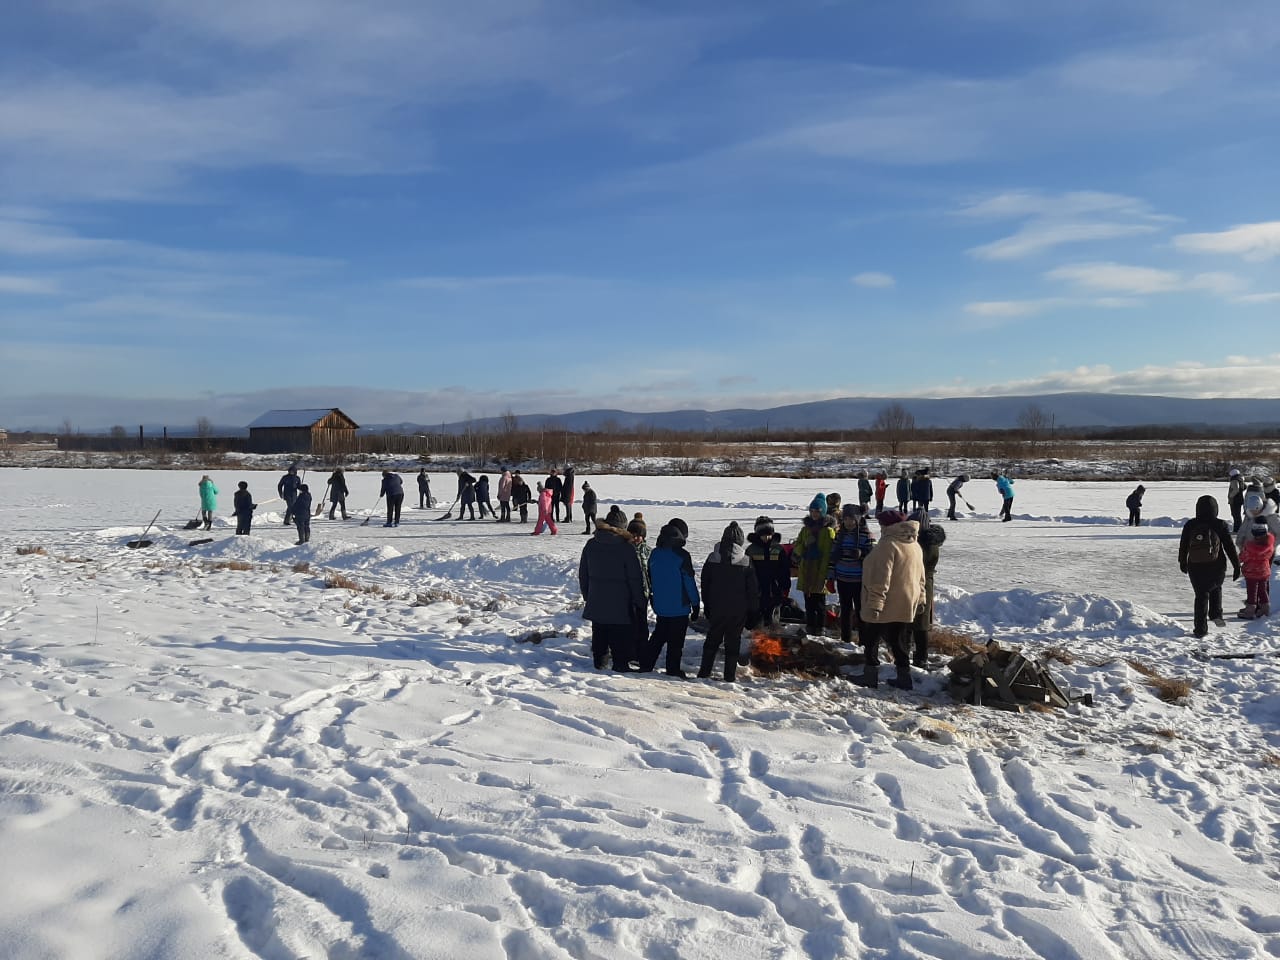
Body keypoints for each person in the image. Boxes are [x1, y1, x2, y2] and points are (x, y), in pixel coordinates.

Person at [855, 510, 926, 690]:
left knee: (871, 639)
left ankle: (870, 675)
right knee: (898, 640)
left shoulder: (888, 545)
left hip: (885, 602)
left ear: (887, 525)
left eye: (881, 524)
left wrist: (875, 603)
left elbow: (881, 578)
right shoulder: (914, 544)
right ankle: (904, 677)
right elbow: (921, 577)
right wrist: (921, 598)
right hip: (906, 602)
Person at [579, 508, 646, 672]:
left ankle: (599, 663)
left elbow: (583, 574)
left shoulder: (591, 544)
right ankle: (620, 664)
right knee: (620, 634)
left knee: (599, 631)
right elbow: (635, 578)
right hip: (621, 602)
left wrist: (588, 595)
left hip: (597, 599)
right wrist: (640, 601)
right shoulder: (626, 549)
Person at [698, 522, 759, 682]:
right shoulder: (746, 561)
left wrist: (707, 605)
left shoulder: (712, 558)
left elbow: (705, 584)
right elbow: (752, 591)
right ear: (740, 541)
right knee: (733, 642)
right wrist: (753, 612)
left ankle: (704, 673)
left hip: (717, 607)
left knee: (712, 639)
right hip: (738, 610)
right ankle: (729, 676)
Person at [1178, 494, 1241, 639]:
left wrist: (1182, 561)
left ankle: (1200, 629)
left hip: (1195, 565)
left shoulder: (1190, 524)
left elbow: (1184, 545)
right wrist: (1236, 566)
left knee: (1201, 595)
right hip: (1217, 565)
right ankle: (1216, 613)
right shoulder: (1220, 524)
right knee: (1215, 587)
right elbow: (1229, 546)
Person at [643, 521, 701, 677]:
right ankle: (672, 669)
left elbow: (650, 577)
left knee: (659, 636)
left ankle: (646, 664)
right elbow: (689, 582)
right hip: (679, 607)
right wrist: (695, 604)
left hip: (661, 605)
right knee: (676, 642)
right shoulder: (682, 556)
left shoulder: (654, 553)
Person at [830, 504, 876, 644]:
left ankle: (864, 640)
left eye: (851, 519)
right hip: (843, 578)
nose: (848, 522)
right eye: (846, 519)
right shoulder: (839, 534)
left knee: (861, 611)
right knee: (845, 610)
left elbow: (874, 556)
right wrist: (831, 575)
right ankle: (846, 639)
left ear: (857, 519)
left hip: (859, 579)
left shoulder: (866, 534)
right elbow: (832, 556)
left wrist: (862, 554)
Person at [792, 493, 836, 636]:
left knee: (820, 603)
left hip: (820, 570)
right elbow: (797, 547)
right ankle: (810, 625)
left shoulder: (828, 531)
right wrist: (804, 545)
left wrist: (826, 572)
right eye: (812, 511)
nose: (814, 514)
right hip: (806, 570)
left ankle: (820, 626)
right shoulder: (805, 529)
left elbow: (830, 552)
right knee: (809, 601)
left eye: (817, 511)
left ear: (823, 512)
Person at [911, 513, 946, 668]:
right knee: (921, 621)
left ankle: (920, 658)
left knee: (919, 621)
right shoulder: (931, 541)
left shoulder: (925, 543)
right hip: (925, 582)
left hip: (921, 582)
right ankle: (920, 656)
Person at [746, 516, 791, 629]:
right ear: (757, 534)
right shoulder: (751, 550)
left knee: (774, 612)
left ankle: (773, 633)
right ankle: (758, 633)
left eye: (769, 534)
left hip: (774, 587)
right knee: (758, 612)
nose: (766, 537)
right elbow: (747, 570)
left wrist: (785, 584)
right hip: (758, 588)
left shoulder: (778, 549)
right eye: (763, 535)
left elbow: (784, 568)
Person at [1238, 519, 1275, 619]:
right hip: (1264, 571)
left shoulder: (1250, 547)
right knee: (1263, 591)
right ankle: (1264, 609)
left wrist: (1238, 560)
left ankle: (1250, 612)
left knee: (1252, 592)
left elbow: (1243, 557)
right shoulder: (1269, 545)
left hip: (1251, 572)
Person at [628, 514, 652, 659]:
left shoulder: (647, 551)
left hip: (644, 592)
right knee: (630, 623)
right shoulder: (625, 550)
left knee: (642, 623)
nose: (636, 538)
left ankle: (641, 650)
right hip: (629, 593)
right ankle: (630, 650)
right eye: (633, 535)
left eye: (639, 536)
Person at [1228, 469, 1246, 533]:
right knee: (1237, 515)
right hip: (1240, 499)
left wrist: (1231, 496)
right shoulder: (1241, 479)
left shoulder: (1234, 480)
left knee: (1235, 515)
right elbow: (1245, 487)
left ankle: (1237, 529)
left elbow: (1236, 490)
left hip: (1235, 500)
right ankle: (1239, 528)